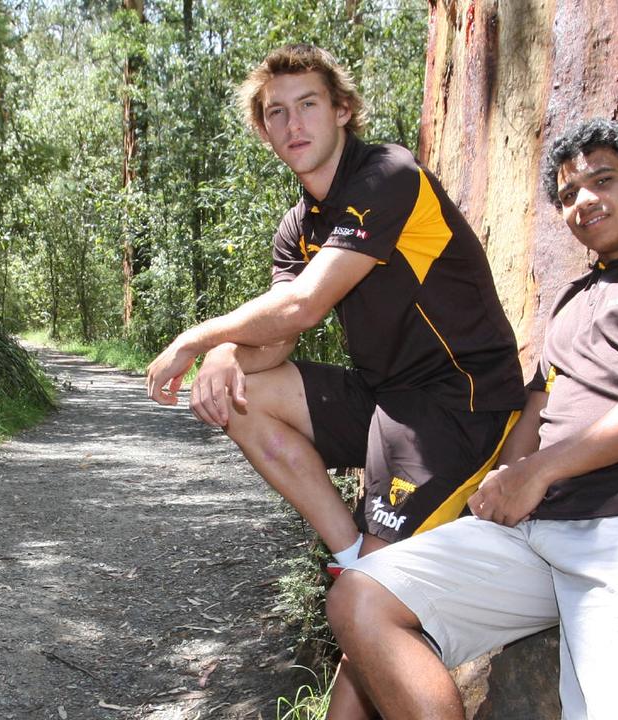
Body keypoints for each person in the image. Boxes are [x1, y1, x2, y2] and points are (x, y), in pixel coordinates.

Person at [327, 118, 618, 719]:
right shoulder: (572, 300)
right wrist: (504, 483)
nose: (583, 202)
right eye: (567, 195)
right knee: (363, 596)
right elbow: (539, 406)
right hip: (533, 531)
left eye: (602, 181)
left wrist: (541, 471)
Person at [144, 44, 525, 717]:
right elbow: (276, 339)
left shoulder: (386, 175)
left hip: (457, 401)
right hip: (384, 398)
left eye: (308, 105)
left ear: (343, 110)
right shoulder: (298, 227)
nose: (292, 123)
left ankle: (364, 566)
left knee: (374, 606)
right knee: (243, 395)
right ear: (264, 131)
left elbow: (304, 306)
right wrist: (229, 354)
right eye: (275, 113)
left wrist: (198, 338)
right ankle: (350, 552)